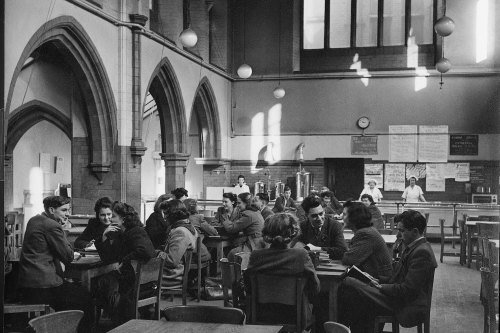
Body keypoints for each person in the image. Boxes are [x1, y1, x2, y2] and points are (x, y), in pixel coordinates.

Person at [339, 210, 438, 333]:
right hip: (398, 299)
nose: (398, 235)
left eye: (402, 231)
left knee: (349, 283)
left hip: (405, 305)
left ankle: (337, 327)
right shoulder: (415, 247)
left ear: (415, 232)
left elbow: (408, 290)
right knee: (354, 292)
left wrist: (381, 287)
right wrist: (377, 280)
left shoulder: (421, 253)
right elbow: (399, 278)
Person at [17, 196, 93, 332]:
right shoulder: (51, 225)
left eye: (68, 210)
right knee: (86, 298)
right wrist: (62, 231)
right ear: (51, 210)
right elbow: (68, 256)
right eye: (64, 210)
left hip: (27, 285)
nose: (67, 214)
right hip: (43, 287)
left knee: (75, 293)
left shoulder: (34, 220)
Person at [245, 213, 320, 329]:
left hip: (262, 314)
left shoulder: (256, 256)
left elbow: (249, 288)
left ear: (266, 233)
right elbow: (315, 288)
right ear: (293, 233)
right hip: (295, 315)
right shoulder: (301, 255)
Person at [95, 201, 156, 325]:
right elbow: (108, 258)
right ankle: (117, 319)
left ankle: (119, 321)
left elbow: (146, 252)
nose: (109, 219)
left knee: (104, 282)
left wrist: (124, 261)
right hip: (134, 279)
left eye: (113, 216)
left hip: (138, 283)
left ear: (122, 218)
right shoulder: (121, 233)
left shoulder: (136, 231)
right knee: (105, 281)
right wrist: (104, 237)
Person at [341, 201, 393, 282]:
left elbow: (349, 259)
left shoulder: (365, 234)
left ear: (353, 217)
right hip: (376, 278)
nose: (341, 217)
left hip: (380, 282)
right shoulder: (367, 231)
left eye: (344, 214)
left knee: (343, 282)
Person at [162, 204, 211, 288]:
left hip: (172, 277)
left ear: (173, 215)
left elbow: (172, 261)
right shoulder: (189, 227)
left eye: (166, 214)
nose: (164, 217)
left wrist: (158, 254)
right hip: (178, 273)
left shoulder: (180, 231)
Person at [291, 195, 347, 260]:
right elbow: (293, 248)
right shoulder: (302, 227)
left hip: (330, 265)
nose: (319, 219)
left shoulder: (335, 226)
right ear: (307, 215)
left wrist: (317, 249)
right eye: (314, 216)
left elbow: (342, 251)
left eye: (321, 214)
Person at [222, 192, 266, 261]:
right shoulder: (255, 212)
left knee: (232, 253)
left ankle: (234, 271)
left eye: (239, 203)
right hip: (259, 243)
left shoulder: (248, 215)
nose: (237, 205)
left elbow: (231, 228)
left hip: (254, 245)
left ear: (246, 203)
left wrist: (225, 219)